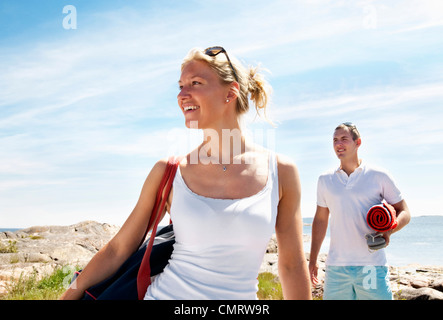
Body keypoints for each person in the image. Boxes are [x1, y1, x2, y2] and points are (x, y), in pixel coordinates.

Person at [60, 46, 311, 300]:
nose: (182, 95)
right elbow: (118, 249)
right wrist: (71, 293)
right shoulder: (169, 172)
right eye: (180, 86)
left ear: (231, 92)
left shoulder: (281, 172)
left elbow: (292, 265)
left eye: (195, 83)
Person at [309, 122, 411, 300]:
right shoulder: (325, 179)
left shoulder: (379, 175)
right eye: (334, 140)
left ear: (358, 143)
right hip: (336, 268)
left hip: (371, 266)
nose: (338, 144)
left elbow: (404, 212)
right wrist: (313, 259)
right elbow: (320, 220)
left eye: (344, 139)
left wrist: (389, 231)